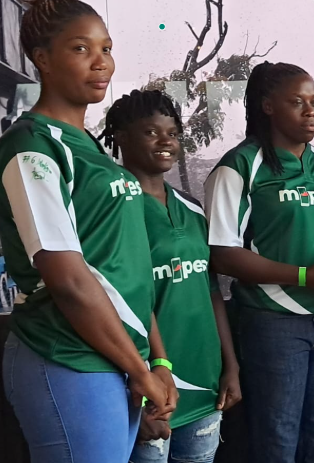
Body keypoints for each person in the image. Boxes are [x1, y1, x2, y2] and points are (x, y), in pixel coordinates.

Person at [0, 1, 177, 462]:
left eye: (107, 48)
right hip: (67, 355)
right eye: (81, 48)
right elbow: (70, 280)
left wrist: (155, 360)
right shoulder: (31, 146)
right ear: (42, 58)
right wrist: (140, 369)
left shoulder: (93, 152)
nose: (102, 62)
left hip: (117, 356)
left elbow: (125, 267)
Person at [204, 61, 314, 463]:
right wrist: (308, 277)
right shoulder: (239, 167)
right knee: (278, 441)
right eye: (297, 102)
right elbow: (222, 254)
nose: (310, 111)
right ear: (269, 106)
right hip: (273, 321)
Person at [98, 89, 242, 463]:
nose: (166, 141)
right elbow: (110, 306)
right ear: (122, 137)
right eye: (151, 132)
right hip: (148, 392)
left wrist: (231, 365)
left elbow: (210, 292)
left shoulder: (191, 208)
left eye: (173, 133)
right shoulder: (112, 211)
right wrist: (132, 389)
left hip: (204, 383)